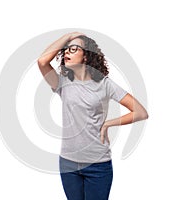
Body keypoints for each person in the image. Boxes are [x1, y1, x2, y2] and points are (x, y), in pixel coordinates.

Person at [37, 32, 148, 200]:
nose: (66, 52)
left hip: (98, 164)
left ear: (86, 56)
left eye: (73, 49)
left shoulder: (105, 84)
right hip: (68, 164)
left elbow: (140, 112)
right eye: (65, 50)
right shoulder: (62, 83)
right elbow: (42, 61)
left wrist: (108, 123)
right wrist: (69, 36)